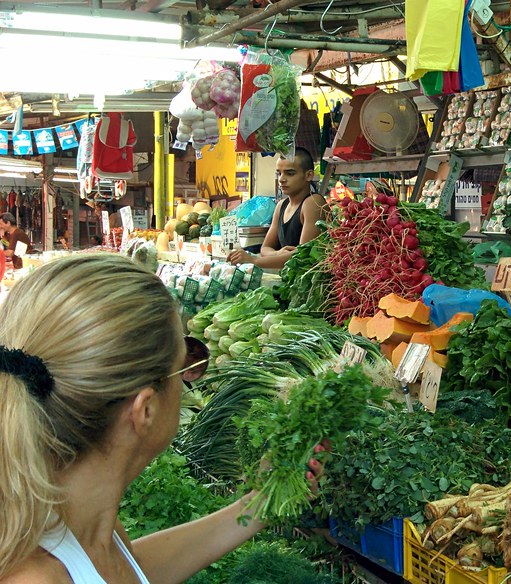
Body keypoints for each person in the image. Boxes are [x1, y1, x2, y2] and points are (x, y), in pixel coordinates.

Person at [0, 254, 323, 583]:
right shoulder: (36, 575)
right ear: (145, 410)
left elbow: (128, 572)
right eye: (186, 365)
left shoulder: (75, 514)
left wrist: (260, 504)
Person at [227, 148, 327, 269]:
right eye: (279, 173)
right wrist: (276, 253)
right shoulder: (281, 206)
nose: (281, 179)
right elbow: (265, 248)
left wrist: (254, 260)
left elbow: (303, 256)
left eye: (290, 173)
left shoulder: (313, 203)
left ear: (309, 175)